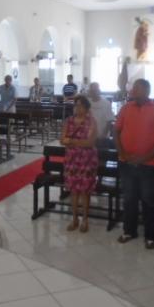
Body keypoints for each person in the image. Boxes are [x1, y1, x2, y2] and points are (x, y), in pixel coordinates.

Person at [115, 79, 154, 249]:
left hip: (150, 164)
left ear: (146, 90)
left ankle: (150, 234)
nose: (132, 90)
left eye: (136, 88)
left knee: (148, 199)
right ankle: (129, 230)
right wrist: (122, 153)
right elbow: (116, 131)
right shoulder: (126, 108)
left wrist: (146, 157)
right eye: (133, 88)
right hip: (127, 162)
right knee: (129, 198)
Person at [61, 95, 98, 233]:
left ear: (87, 108)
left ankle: (85, 219)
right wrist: (75, 142)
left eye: (81, 105)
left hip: (87, 160)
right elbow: (61, 140)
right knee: (73, 190)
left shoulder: (91, 121)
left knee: (85, 191)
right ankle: (74, 218)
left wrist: (71, 141)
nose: (77, 108)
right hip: (71, 160)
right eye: (76, 105)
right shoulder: (69, 121)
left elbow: (90, 143)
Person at [87, 82, 115, 148]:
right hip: (89, 137)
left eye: (95, 90)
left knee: (102, 156)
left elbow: (109, 121)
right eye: (92, 91)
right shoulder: (87, 103)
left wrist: (104, 135)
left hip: (102, 138)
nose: (93, 92)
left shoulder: (106, 103)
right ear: (89, 92)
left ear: (99, 91)